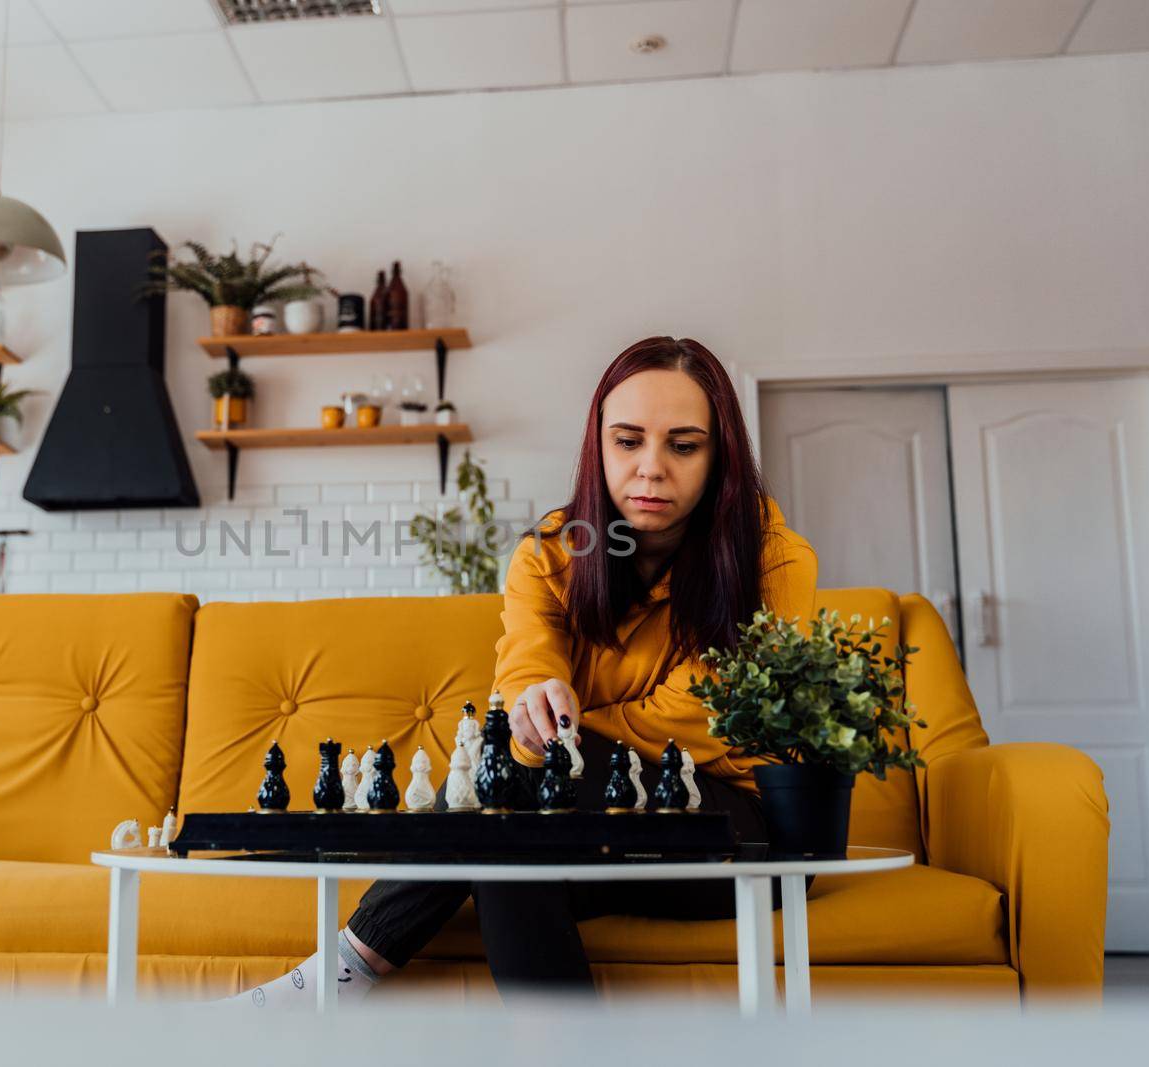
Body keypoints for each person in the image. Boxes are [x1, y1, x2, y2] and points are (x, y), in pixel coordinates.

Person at [234, 336, 818, 1007]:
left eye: (683, 445)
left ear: (721, 455)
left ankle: (337, 975)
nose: (651, 468)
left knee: (515, 789)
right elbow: (525, 665)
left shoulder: (775, 559)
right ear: (597, 445)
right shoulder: (550, 552)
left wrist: (555, 742)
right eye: (628, 441)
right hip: (587, 827)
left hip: (736, 835)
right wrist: (537, 703)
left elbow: (704, 720)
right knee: (507, 851)